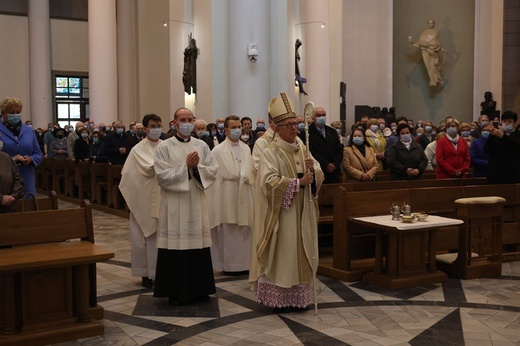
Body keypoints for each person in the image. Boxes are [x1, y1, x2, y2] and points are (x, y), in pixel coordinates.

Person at [250, 92, 324, 311]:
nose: (294, 128)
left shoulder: (302, 147)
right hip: (283, 215)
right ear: (278, 128)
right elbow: (268, 182)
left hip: (303, 214)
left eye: (295, 124)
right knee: (284, 254)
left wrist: (314, 174)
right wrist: (298, 182)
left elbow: (317, 171)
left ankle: (299, 297)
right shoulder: (270, 152)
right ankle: (280, 298)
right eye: (289, 125)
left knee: (302, 250)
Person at [153, 107, 218, 306]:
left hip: (195, 201)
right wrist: (185, 168)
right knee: (175, 248)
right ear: (174, 123)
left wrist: (197, 168)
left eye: (190, 119)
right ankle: (175, 291)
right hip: (174, 204)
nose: (187, 123)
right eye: (183, 119)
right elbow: (161, 176)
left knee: (197, 246)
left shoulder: (202, 145)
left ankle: (200, 289)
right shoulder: (164, 147)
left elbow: (213, 170)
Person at [120, 114, 163, 289]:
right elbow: (130, 175)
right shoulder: (137, 150)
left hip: (163, 197)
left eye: (159, 125)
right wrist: (153, 168)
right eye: (153, 126)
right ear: (145, 129)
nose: (156, 129)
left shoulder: (166, 147)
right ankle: (145, 272)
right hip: (143, 198)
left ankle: (161, 272)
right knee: (143, 238)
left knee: (161, 238)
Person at [207, 115, 253, 275]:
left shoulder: (246, 148)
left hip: (244, 193)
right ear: (225, 130)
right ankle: (229, 265)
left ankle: (245, 263)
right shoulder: (217, 150)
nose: (237, 130)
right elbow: (213, 175)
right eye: (233, 127)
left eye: (239, 127)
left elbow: (251, 169)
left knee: (244, 229)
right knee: (230, 228)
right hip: (227, 194)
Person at [0, 97, 43, 196]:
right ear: (3, 114)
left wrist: (31, 159)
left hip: (26, 178)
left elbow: (39, 154)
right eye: (12, 112)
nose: (15, 115)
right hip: (5, 181)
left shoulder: (29, 130)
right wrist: (11, 160)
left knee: (28, 208)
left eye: (18, 112)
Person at [303, 107, 343, 184]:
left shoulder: (332, 131)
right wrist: (326, 164)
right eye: (318, 115)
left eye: (323, 115)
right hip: (318, 171)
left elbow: (339, 150)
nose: (321, 117)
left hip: (333, 172)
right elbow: (310, 151)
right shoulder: (307, 133)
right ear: (313, 118)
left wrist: (334, 164)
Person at [484, 111, 520, 184]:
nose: (506, 123)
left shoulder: (517, 135)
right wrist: (491, 135)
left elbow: (516, 145)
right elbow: (486, 150)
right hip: (495, 174)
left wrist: (502, 136)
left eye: (509, 121)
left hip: (512, 173)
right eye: (504, 121)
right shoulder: (495, 135)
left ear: (514, 123)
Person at [409, 18, 446, 87]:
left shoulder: (436, 32)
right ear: (427, 24)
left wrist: (443, 49)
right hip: (425, 51)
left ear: (434, 24)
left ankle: (439, 78)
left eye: (431, 23)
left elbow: (437, 42)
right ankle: (432, 81)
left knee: (435, 64)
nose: (430, 24)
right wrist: (412, 43)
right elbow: (420, 42)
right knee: (428, 66)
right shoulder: (424, 32)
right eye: (429, 23)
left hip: (433, 50)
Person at [0, 133, 24, 213]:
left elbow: (18, 180)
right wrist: (1, 198)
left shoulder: (6, 157)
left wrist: (13, 196)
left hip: (9, 207)